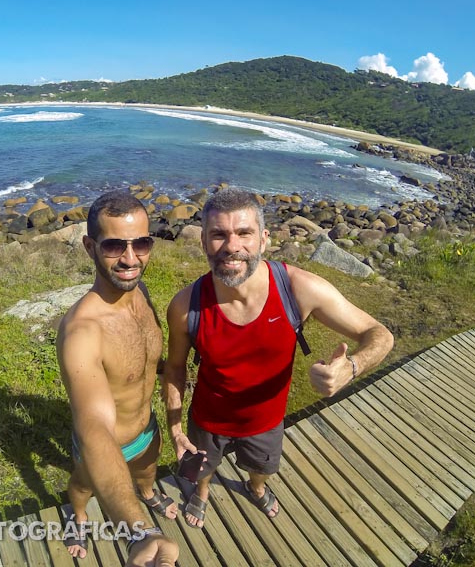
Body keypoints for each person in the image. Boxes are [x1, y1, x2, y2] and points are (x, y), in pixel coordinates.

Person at [163, 187, 394, 528]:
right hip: (207, 420)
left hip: (267, 421)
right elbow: (175, 368)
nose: (232, 247)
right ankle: (201, 493)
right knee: (202, 468)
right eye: (218, 235)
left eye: (244, 233)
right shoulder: (186, 307)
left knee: (262, 469)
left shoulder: (297, 289)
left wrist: (353, 366)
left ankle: (255, 489)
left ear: (264, 239)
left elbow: (380, 334)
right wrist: (175, 426)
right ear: (204, 242)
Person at [57, 190, 179, 566]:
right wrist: (139, 530)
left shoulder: (139, 290)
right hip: (107, 445)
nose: (130, 259)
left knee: (148, 469)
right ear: (89, 247)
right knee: (81, 486)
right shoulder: (83, 331)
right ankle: (77, 516)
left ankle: (147, 489)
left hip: (147, 430)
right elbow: (94, 427)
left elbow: (148, 364)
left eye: (141, 243)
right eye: (113, 246)